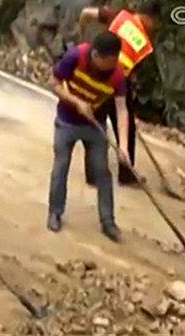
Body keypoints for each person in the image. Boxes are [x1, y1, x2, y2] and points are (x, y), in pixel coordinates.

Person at [47, 31, 130, 242]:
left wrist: (124, 146)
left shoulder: (118, 75)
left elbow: (122, 110)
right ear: (96, 56)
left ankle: (108, 221)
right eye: (109, 62)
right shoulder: (76, 57)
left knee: (102, 171)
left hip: (96, 125)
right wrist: (76, 101)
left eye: (115, 61)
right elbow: (54, 83)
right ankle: (55, 212)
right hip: (66, 122)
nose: (112, 66)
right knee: (61, 165)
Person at [79, 1, 159, 186]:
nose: (154, 29)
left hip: (98, 77)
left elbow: (86, 13)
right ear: (149, 18)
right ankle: (126, 174)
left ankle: (94, 174)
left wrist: (82, 38)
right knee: (126, 127)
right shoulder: (144, 43)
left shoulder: (119, 16)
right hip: (117, 83)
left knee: (96, 124)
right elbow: (131, 71)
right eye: (155, 23)